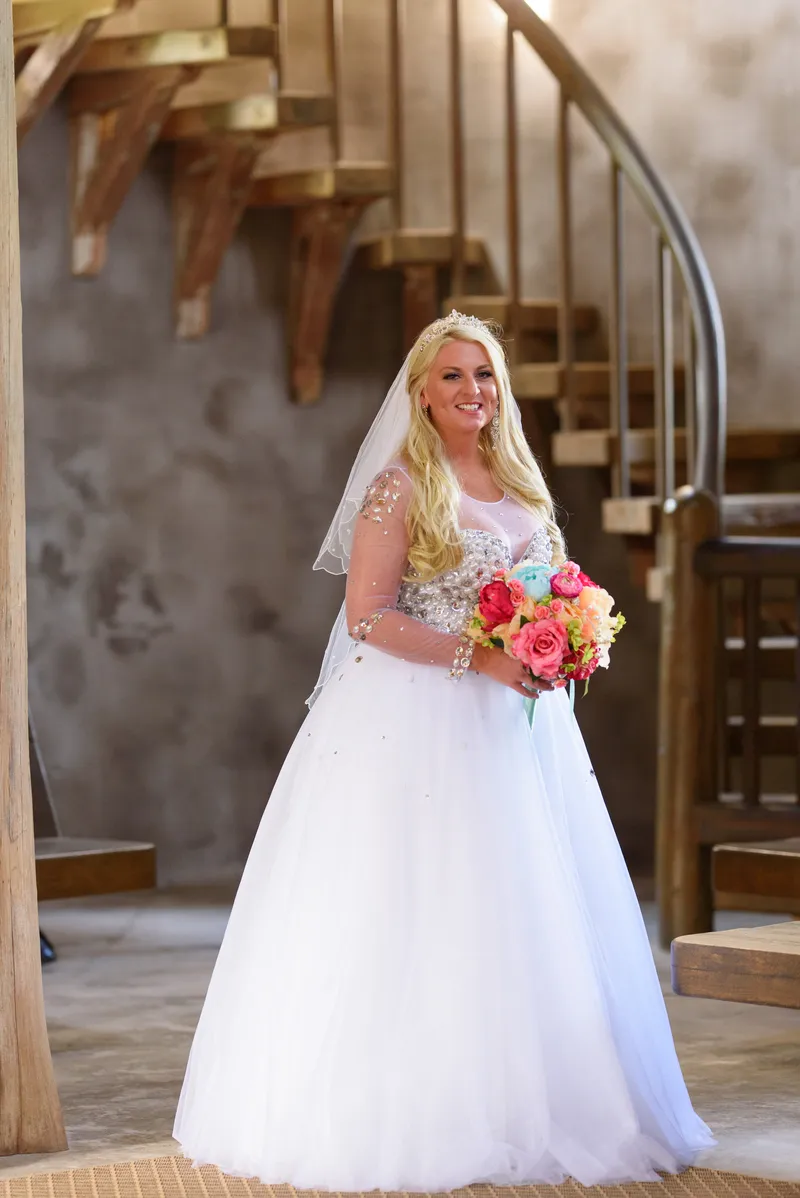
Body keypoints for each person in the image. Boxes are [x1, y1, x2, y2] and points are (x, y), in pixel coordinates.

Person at [173, 312, 714, 1190]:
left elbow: (548, 585)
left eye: (486, 376)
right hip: (416, 719)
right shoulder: (400, 488)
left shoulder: (520, 484)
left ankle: (538, 1104)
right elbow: (369, 616)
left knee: (526, 905)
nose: (474, 392)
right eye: (455, 376)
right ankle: (416, 1112)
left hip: (516, 727)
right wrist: (481, 657)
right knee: (420, 902)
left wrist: (565, 637)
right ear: (421, 392)